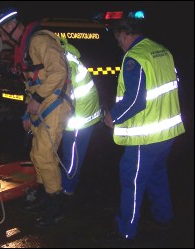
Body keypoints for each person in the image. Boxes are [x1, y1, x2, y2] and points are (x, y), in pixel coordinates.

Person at [101, 16, 185, 244]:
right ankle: (164, 218)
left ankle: (126, 231)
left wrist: (113, 115)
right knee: (157, 176)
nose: (118, 43)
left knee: (132, 181)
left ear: (125, 34)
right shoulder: (162, 51)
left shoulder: (135, 57)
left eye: (118, 38)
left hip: (145, 136)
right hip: (166, 133)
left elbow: (136, 99)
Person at [0, 8, 73, 227]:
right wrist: (28, 111)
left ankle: (57, 206)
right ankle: (44, 194)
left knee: (44, 155)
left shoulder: (39, 41)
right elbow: (32, 83)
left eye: (1, 33)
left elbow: (59, 72)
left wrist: (37, 98)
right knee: (38, 155)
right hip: (43, 104)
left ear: (9, 27)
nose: (1, 39)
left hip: (55, 103)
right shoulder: (26, 46)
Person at [60, 37, 102, 196]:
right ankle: (68, 183)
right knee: (71, 153)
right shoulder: (66, 58)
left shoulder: (66, 64)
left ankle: (67, 188)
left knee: (71, 155)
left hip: (79, 117)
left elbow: (63, 94)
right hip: (81, 113)